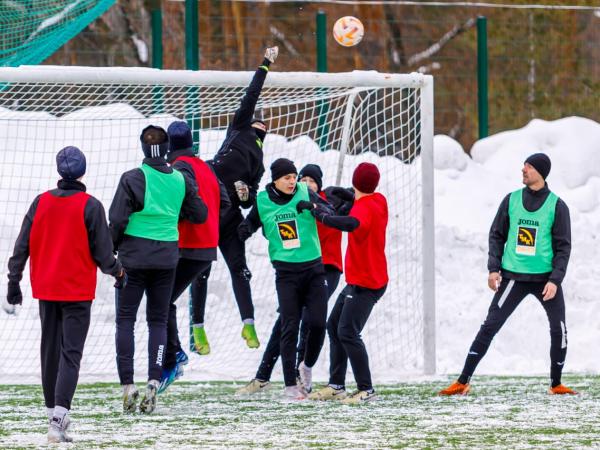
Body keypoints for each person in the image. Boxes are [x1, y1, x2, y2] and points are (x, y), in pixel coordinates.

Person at [6, 146, 124, 443]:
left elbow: (22, 245)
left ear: (59, 171)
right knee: (71, 354)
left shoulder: (40, 202)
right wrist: (118, 272)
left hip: (47, 289)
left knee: (49, 352)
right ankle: (58, 421)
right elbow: (103, 253)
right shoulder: (90, 205)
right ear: (82, 171)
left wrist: (13, 280)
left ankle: (53, 418)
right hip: (77, 291)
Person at [439, 153, 574, 396]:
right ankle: (462, 381)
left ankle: (556, 384)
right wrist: (493, 268)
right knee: (490, 326)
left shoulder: (557, 205)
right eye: (524, 164)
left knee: (559, 329)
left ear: (541, 173)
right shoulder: (510, 200)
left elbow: (564, 247)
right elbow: (496, 235)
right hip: (513, 278)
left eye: (529, 166)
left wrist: (555, 279)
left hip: (545, 281)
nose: (523, 169)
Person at [109, 125, 207, 414]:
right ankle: (153, 381)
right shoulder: (180, 179)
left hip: (133, 259)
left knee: (125, 320)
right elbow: (199, 214)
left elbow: (116, 220)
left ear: (142, 148)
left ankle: (128, 384)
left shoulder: (132, 178)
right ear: (167, 150)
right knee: (158, 321)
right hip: (166, 258)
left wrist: (112, 251)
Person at [236, 164, 346, 395]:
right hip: (286, 273)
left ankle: (305, 366)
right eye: (288, 177)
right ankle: (289, 385)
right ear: (275, 179)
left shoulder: (305, 193)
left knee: (317, 323)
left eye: (295, 177)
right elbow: (251, 223)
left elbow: (330, 211)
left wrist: (315, 208)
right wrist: (239, 231)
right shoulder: (264, 200)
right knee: (289, 326)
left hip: (315, 269)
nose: (293, 182)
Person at [199, 46, 278, 350]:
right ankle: (198, 328)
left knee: (239, 268)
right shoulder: (239, 127)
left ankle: (249, 324)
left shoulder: (259, 160)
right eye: (258, 119)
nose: (261, 122)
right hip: (209, 202)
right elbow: (251, 95)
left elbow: (251, 196)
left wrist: (246, 197)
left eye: (264, 122)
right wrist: (265, 64)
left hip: (230, 212)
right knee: (200, 267)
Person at [159, 120, 230, 393]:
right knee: (165, 299)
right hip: (205, 249)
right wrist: (209, 228)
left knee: (160, 299)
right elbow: (224, 203)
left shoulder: (178, 168)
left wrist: (188, 222)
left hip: (187, 246)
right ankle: (174, 353)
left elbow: (185, 199)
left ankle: (174, 355)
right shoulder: (207, 167)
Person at [308, 162, 388, 404]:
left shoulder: (362, 209)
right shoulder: (379, 200)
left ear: (355, 181)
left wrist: (321, 215)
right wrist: (349, 195)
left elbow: (351, 223)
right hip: (361, 280)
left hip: (366, 283)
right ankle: (337, 385)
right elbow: (358, 203)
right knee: (334, 326)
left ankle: (367, 389)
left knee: (348, 332)